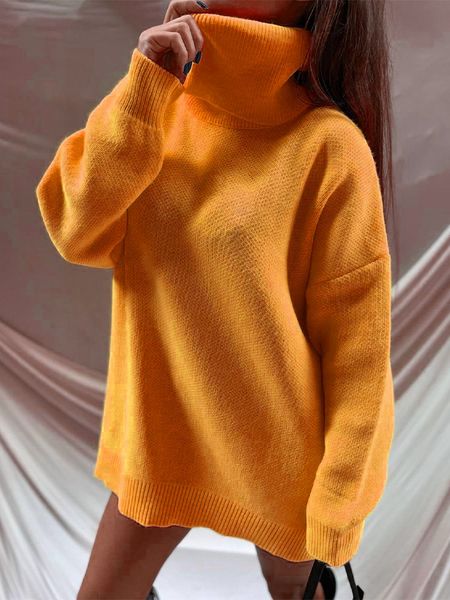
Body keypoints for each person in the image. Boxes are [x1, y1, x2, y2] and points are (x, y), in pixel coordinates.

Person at [36, 0, 395, 598]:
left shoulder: (328, 147)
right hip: (162, 447)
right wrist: (145, 86)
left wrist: (340, 499)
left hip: (282, 463)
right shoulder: (156, 104)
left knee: (297, 589)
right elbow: (75, 229)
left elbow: (359, 351)